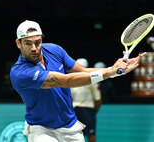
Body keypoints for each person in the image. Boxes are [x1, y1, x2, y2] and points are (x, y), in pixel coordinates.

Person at [10, 20, 146, 142]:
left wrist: (114, 71)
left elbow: (83, 71)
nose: (34, 48)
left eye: (37, 42)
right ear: (18, 43)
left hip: (70, 125)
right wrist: (109, 72)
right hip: (41, 128)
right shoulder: (20, 73)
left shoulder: (54, 50)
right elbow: (66, 81)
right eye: (28, 43)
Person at [70, 58, 102, 142]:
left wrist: (92, 113)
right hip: (75, 112)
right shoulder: (71, 82)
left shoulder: (93, 81)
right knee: (74, 137)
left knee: (91, 136)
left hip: (88, 111)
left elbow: (98, 99)